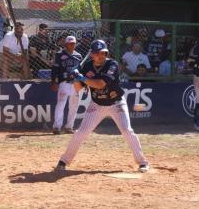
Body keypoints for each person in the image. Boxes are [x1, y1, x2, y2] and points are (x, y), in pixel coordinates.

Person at [54, 39, 150, 173]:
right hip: (96, 105)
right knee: (81, 133)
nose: (101, 56)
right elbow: (78, 88)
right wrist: (75, 78)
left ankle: (142, 162)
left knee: (127, 131)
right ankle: (64, 161)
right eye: (97, 53)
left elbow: (100, 84)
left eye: (103, 53)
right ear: (92, 55)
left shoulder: (113, 65)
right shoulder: (86, 66)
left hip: (116, 103)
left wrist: (81, 77)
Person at [51, 36, 82, 135]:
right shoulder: (59, 55)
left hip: (75, 83)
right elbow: (55, 69)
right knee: (61, 104)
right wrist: (54, 81)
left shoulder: (79, 56)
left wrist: (82, 83)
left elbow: (81, 70)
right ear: (65, 44)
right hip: (64, 82)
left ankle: (69, 126)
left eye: (73, 43)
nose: (71, 45)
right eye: (69, 43)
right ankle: (56, 127)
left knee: (74, 106)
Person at [187, 42, 199, 130]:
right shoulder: (196, 48)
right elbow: (189, 61)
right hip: (198, 75)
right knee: (198, 99)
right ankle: (197, 123)